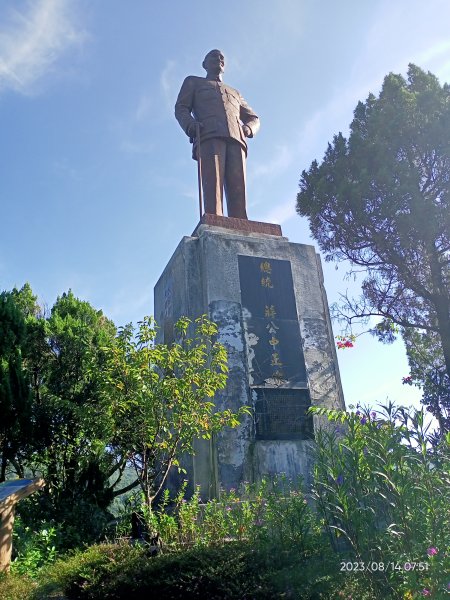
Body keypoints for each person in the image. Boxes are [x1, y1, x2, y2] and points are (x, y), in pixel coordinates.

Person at [175, 49, 260, 219]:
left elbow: (253, 117)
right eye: (214, 56)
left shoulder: (235, 92)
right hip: (208, 135)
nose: (219, 59)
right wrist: (190, 125)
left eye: (222, 57)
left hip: (237, 139)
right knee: (213, 188)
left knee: (238, 189)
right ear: (204, 64)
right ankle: (215, 221)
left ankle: (241, 223)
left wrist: (249, 128)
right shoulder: (194, 82)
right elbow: (181, 108)